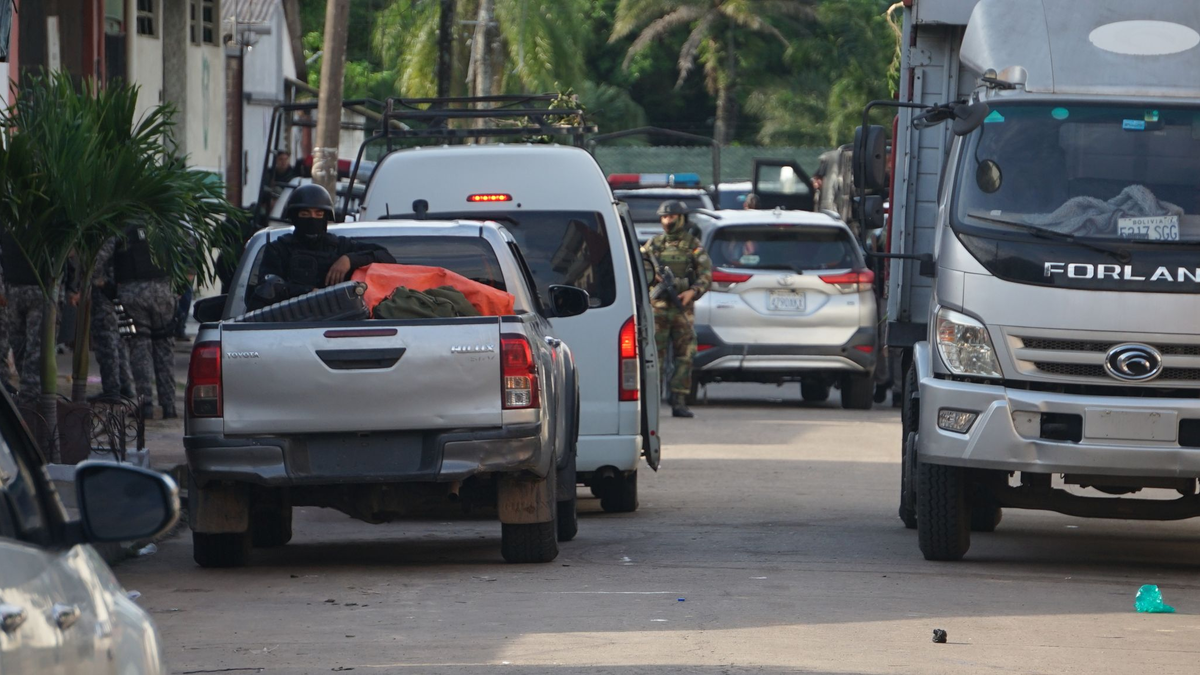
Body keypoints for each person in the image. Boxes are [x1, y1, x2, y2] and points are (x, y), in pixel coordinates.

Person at [249, 184, 394, 310]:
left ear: (326, 217)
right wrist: (308, 292)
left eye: (318, 214)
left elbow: (386, 257)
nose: (312, 218)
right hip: (289, 323)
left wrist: (349, 260)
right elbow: (268, 286)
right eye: (305, 214)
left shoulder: (340, 246)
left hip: (337, 322)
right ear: (294, 216)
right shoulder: (279, 249)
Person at [640, 200, 712, 419]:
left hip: (682, 307)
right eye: (664, 217)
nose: (667, 221)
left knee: (685, 355)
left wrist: (692, 291)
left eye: (671, 217)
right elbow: (640, 269)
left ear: (681, 218)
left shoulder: (693, 245)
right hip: (658, 308)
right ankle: (652, 402)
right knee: (654, 357)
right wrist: (655, 278)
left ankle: (679, 400)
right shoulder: (654, 245)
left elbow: (706, 275)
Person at [114, 224, 178, 420]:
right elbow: (188, 247)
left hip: (133, 294)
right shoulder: (163, 220)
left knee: (139, 349)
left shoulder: (122, 225)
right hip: (162, 291)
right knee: (164, 348)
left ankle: (145, 405)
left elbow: (102, 255)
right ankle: (169, 406)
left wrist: (100, 281)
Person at [89, 237, 135, 401]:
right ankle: (125, 385)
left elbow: (95, 262)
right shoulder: (125, 230)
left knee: (107, 343)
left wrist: (96, 280)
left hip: (106, 295)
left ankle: (112, 389)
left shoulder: (109, 234)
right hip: (119, 293)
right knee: (118, 342)